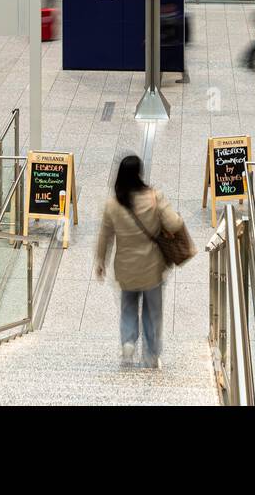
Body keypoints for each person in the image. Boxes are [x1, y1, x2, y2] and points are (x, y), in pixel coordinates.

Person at [94, 155, 186, 369]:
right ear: (139, 173)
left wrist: (101, 261)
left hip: (125, 269)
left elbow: (104, 236)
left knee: (128, 308)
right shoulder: (154, 198)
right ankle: (151, 355)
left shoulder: (113, 204)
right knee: (152, 312)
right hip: (152, 268)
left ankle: (128, 343)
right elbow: (173, 224)